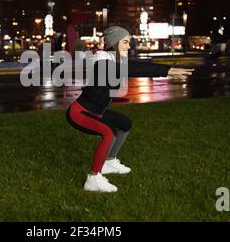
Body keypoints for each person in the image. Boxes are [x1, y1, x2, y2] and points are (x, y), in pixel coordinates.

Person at [66, 26, 195, 193]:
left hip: (97, 111)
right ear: (114, 43)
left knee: (125, 123)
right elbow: (132, 68)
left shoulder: (114, 60)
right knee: (109, 132)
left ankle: (109, 162)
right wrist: (166, 70)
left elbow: (132, 65)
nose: (128, 46)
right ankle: (93, 178)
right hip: (80, 112)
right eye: (125, 42)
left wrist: (167, 70)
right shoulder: (101, 61)